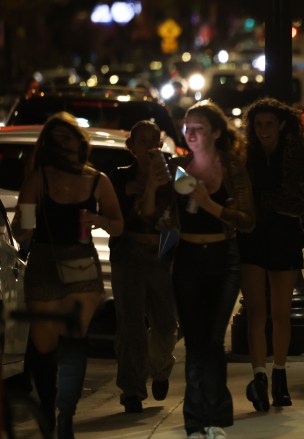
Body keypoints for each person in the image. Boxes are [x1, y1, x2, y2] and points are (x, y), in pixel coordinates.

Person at [140, 100, 255, 439]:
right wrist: (152, 184)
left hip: (223, 257)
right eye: (187, 128)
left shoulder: (232, 168)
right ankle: (196, 421)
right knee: (195, 343)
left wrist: (209, 204)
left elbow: (247, 220)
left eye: (199, 129)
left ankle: (215, 418)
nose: (190, 134)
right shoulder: (178, 168)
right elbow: (151, 216)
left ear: (216, 132)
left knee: (213, 340)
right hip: (188, 258)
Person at [11, 111, 124, 438]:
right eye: (55, 140)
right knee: (44, 345)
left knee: (74, 342)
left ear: (79, 142)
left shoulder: (97, 179)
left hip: (81, 266)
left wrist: (97, 220)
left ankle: (66, 417)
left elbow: (118, 223)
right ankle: (48, 408)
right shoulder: (39, 178)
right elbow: (24, 232)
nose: (62, 145)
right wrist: (24, 223)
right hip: (46, 262)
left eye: (67, 138)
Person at [239, 97, 304, 411]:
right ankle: (259, 375)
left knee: (281, 313)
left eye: (270, 124)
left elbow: (297, 199)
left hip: (282, 236)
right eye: (258, 125)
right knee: (256, 311)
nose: (264, 130)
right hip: (252, 236)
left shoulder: (296, 154)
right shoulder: (247, 154)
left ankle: (279, 374)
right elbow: (238, 194)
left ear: (282, 125)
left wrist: (258, 202)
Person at [108, 121, 179, 414]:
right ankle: (132, 390)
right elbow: (113, 217)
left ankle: (160, 368)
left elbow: (187, 205)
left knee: (165, 322)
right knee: (131, 324)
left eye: (153, 141)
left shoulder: (174, 175)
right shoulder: (119, 178)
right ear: (132, 147)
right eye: (142, 141)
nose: (148, 147)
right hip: (129, 256)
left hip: (162, 256)